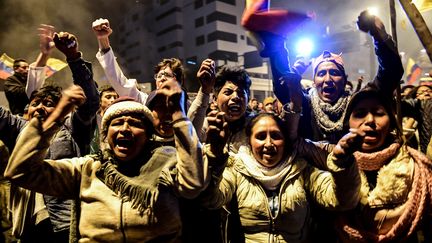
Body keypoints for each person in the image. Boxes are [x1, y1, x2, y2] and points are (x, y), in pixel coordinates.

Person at [5, 79, 214, 242]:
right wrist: (56, 116)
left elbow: (194, 184)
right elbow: (20, 172)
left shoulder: (168, 163)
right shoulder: (87, 170)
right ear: (106, 134)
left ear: (148, 135)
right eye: (117, 123)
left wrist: (178, 112)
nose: (124, 129)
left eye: (134, 123)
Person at [0, 26, 99, 242]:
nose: (40, 108)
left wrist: (73, 57)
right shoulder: (19, 128)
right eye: (35, 104)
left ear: (60, 109)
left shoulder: (71, 128)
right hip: (27, 224)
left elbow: (90, 101)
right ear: (27, 110)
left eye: (48, 104)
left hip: (65, 223)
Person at [200, 112, 362, 242]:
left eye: (276, 136)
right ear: (249, 142)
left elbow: (342, 200)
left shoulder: (302, 170)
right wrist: (215, 156)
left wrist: (342, 161)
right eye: (261, 136)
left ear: (285, 141)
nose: (269, 144)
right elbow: (211, 200)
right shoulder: (236, 168)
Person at [332, 84, 432, 242]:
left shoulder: (417, 170)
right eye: (360, 114)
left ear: (391, 122)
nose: (370, 120)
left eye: (379, 113)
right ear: (347, 123)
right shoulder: (332, 168)